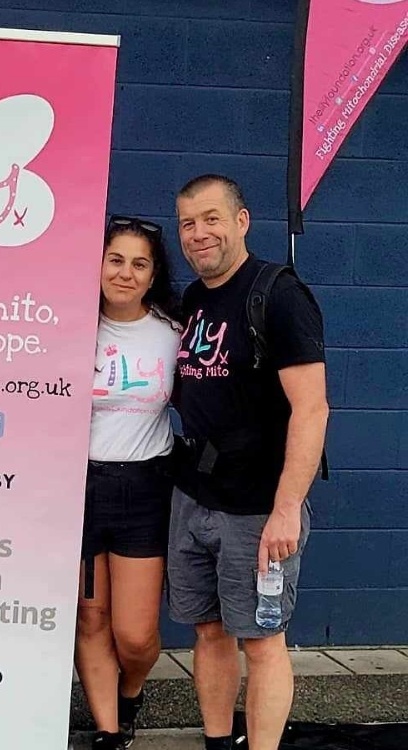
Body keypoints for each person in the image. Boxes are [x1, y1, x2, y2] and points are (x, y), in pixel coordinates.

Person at [169, 175, 328, 750]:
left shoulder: (278, 294)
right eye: (187, 223)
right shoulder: (194, 298)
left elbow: (312, 409)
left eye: (212, 218)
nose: (198, 233)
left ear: (241, 221)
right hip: (195, 498)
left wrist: (286, 510)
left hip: (258, 509)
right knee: (208, 632)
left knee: (261, 641)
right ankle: (218, 742)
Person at [75, 216, 182, 750]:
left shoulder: (173, 331)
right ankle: (109, 732)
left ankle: (131, 689)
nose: (124, 272)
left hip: (144, 489)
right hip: (78, 488)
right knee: (91, 619)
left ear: (153, 274)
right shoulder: (67, 323)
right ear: (97, 263)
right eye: (115, 259)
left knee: (135, 636)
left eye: (139, 263)